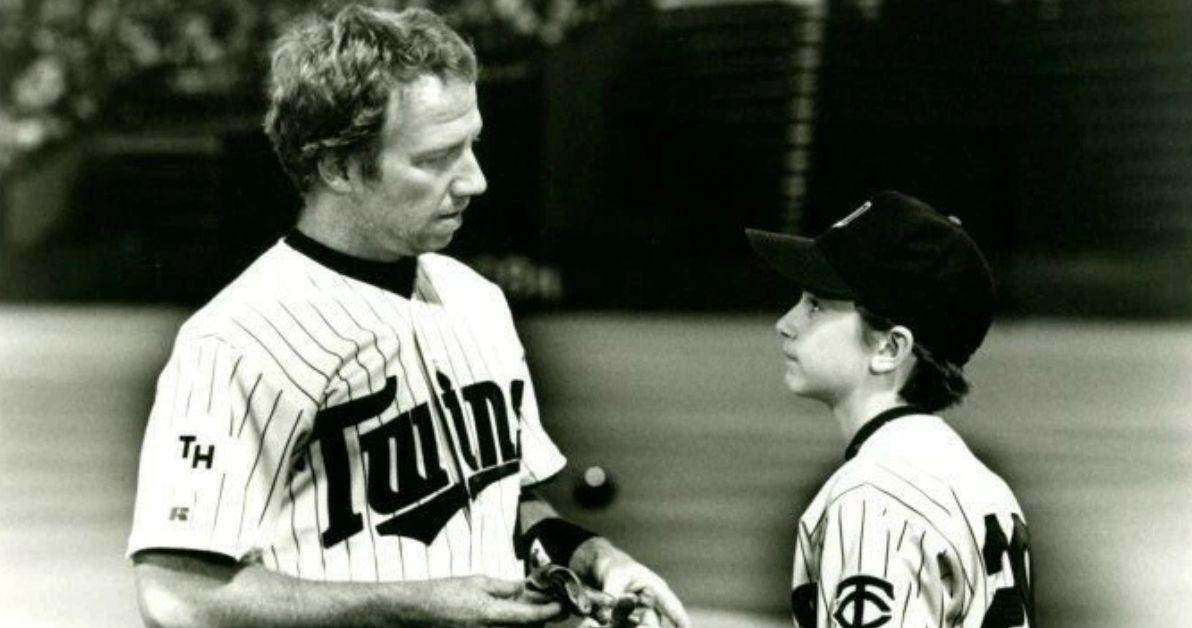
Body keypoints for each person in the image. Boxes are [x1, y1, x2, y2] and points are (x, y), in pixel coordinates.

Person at [126, 5, 689, 627]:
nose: (474, 180)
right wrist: (404, 609)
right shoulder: (240, 339)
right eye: (435, 158)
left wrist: (592, 558)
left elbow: (512, 500)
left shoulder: (477, 299)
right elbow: (176, 595)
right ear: (338, 166)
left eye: (472, 144)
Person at [745, 191, 1035, 628]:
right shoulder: (980, 483)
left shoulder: (872, 499)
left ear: (890, 346)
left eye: (816, 305)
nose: (785, 324)